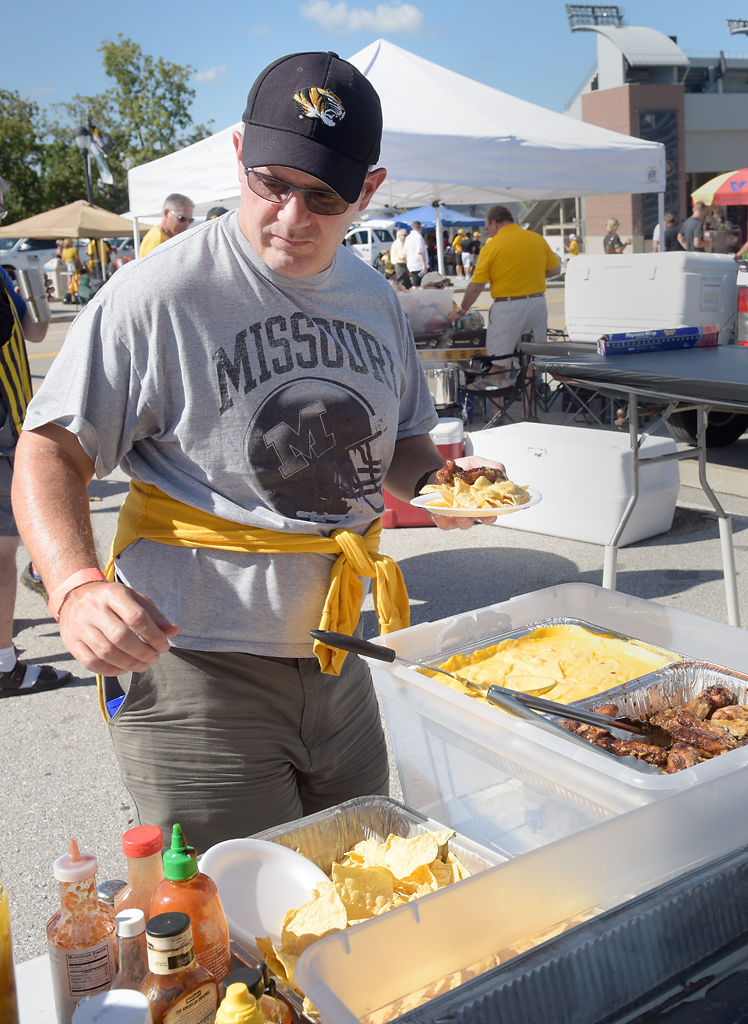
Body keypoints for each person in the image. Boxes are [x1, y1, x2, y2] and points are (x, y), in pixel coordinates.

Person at [12, 50, 495, 850]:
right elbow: (49, 447)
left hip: (342, 656)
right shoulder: (161, 293)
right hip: (197, 663)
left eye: (324, 196)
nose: (292, 217)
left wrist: (450, 483)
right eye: (272, 182)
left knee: (364, 886)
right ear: (238, 154)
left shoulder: (374, 299)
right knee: (235, 931)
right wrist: (73, 586)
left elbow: (404, 442)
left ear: (368, 191)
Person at [0, 178, 73, 694]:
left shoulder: (5, 274)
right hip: (4, 430)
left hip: (17, 421)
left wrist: (36, 292)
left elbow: (36, 333)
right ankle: (4, 665)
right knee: (2, 554)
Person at [448, 205, 561, 379]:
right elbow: (555, 270)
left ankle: (497, 406)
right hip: (537, 304)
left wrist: (461, 310)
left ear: (494, 223)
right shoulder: (536, 238)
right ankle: (527, 406)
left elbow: (476, 286)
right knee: (533, 361)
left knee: (499, 362)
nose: (489, 233)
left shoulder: (493, 245)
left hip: (508, 307)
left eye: (488, 229)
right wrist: (530, 274)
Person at [138, 193, 195, 258]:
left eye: (190, 220)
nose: (187, 224)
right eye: (182, 219)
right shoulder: (158, 240)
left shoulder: (166, 237)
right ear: (166, 213)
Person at [403, 220, 428, 286]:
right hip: (419, 265)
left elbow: (405, 254)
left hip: (411, 265)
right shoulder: (419, 237)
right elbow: (420, 252)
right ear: (420, 228)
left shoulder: (408, 237)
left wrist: (408, 263)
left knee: (415, 283)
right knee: (422, 284)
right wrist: (424, 265)